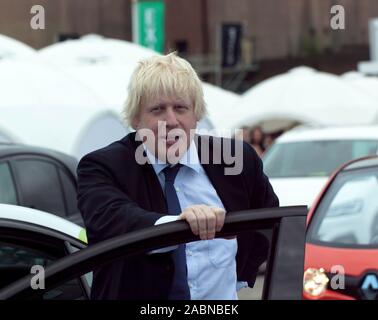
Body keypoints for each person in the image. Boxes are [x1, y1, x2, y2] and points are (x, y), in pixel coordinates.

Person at [77, 52, 279, 300]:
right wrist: (177, 226)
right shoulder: (102, 166)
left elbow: (268, 222)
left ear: (196, 115)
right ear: (135, 119)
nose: (171, 121)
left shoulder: (236, 159)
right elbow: (112, 222)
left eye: (180, 108)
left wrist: (238, 277)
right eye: (157, 109)